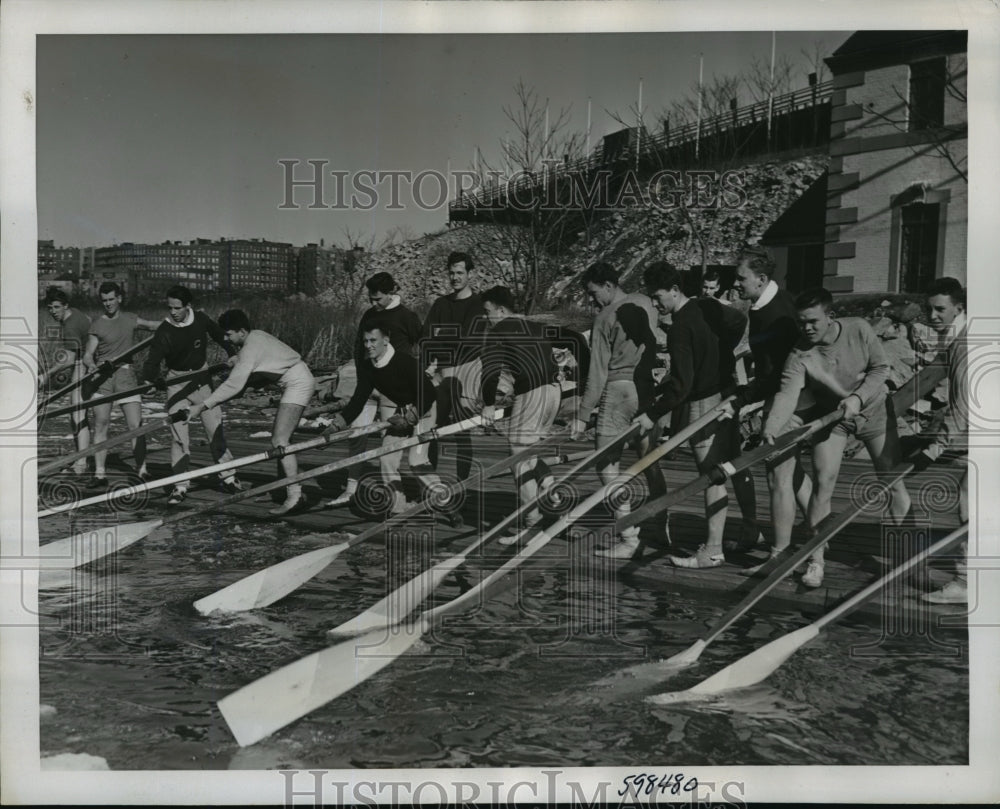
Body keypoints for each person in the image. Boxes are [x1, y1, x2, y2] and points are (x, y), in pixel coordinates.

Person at [762, 287, 912, 588]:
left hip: (875, 415)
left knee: (892, 482)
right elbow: (787, 393)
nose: (807, 328)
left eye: (813, 321)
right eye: (801, 321)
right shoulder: (800, 353)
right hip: (834, 421)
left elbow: (881, 368)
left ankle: (908, 561)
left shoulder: (859, 329)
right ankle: (816, 560)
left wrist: (858, 398)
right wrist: (773, 427)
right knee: (822, 484)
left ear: (830, 316)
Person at [630, 262, 743, 568]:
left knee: (711, 476)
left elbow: (681, 386)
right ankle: (748, 531)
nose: (655, 303)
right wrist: (721, 356)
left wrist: (652, 414)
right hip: (725, 394)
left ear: (676, 290)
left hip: (703, 402)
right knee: (731, 469)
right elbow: (738, 321)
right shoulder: (708, 307)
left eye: (658, 297)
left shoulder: (680, 326)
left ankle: (713, 550)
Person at [571, 261, 670, 559]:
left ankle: (628, 536)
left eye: (593, 292)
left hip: (617, 390)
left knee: (606, 464)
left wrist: (582, 414)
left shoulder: (605, 317)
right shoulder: (647, 303)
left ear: (609, 286)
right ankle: (661, 525)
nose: (592, 299)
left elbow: (598, 373)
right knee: (649, 460)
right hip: (646, 391)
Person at [730, 251, 814, 569]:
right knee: (790, 474)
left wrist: (742, 399)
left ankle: (780, 556)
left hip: (792, 397)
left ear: (761, 280)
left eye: (741, 278)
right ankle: (821, 535)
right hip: (785, 393)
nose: (735, 283)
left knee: (778, 474)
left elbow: (776, 373)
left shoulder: (779, 313)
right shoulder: (764, 307)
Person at [188, 310, 316, 515]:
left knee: (280, 441)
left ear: (241, 331)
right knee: (280, 440)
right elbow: (265, 367)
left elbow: (234, 385)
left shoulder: (250, 348)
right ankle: (281, 489)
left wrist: (202, 406)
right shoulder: (256, 336)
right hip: (293, 379)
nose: (225, 338)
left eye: (229, 334)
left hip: (298, 383)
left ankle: (295, 495)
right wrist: (240, 368)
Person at [327, 322, 447, 518]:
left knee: (417, 461)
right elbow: (358, 400)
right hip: (401, 413)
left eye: (373, 340)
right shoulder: (368, 367)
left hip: (424, 410)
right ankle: (397, 507)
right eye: (365, 341)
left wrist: (411, 417)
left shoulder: (404, 362)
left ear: (386, 341)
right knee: (386, 457)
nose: (368, 345)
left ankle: (443, 499)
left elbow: (428, 393)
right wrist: (336, 424)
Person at [138, 285, 244, 505]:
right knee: (178, 436)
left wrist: (232, 354)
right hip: (176, 383)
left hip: (201, 379)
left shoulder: (201, 319)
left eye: (177, 308)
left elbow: (221, 337)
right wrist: (148, 379)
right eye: (170, 308)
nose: (173, 312)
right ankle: (180, 485)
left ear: (188, 306)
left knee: (214, 429)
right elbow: (153, 359)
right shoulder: (165, 330)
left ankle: (229, 476)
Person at [326, 272, 424, 508]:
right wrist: (362, 376)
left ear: (391, 293)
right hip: (368, 383)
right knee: (357, 434)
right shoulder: (370, 314)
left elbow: (423, 344)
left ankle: (407, 497)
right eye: (370, 299)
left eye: (378, 299)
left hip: (395, 388)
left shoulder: (406, 316)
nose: (373, 303)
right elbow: (359, 347)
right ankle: (351, 489)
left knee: (389, 444)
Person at [477, 286, 562, 545]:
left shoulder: (498, 330)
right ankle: (549, 485)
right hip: (554, 391)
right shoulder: (535, 327)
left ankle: (531, 524)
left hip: (533, 392)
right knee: (530, 450)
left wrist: (488, 404)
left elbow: (490, 371)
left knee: (518, 457)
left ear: (501, 310)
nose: (486, 317)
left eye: (487, 312)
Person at [912, 277, 968, 604]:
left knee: (969, 502)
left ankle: (963, 583)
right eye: (929, 308)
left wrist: (933, 450)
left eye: (940, 309)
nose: (933, 315)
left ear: (958, 308)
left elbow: (963, 405)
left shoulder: (964, 343)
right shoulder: (958, 336)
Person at [81, 282, 161, 489]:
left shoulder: (130, 319)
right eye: (104, 300)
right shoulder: (97, 324)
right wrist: (90, 366)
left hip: (126, 376)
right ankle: (100, 474)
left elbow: (153, 325)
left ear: (119, 299)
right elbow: (88, 355)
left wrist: (182, 320)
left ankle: (142, 469)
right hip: (103, 378)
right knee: (101, 424)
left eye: (111, 299)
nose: (108, 304)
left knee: (136, 426)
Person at [421, 251, 487, 483]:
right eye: (451, 273)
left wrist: (441, 334)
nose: (455, 277)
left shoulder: (478, 304)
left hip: (467, 372)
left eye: (460, 273)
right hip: (441, 373)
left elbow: (469, 340)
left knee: (462, 431)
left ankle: (462, 485)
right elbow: (425, 337)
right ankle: (430, 486)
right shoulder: (441, 303)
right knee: (431, 430)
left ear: (471, 274)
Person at [39, 288, 92, 475]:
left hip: (84, 365)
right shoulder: (76, 313)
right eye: (50, 307)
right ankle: (81, 457)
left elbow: (69, 359)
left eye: (57, 307)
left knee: (77, 413)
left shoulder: (70, 326)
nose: (53, 311)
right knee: (77, 412)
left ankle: (81, 463)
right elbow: (89, 322)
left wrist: (46, 375)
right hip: (86, 361)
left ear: (65, 306)